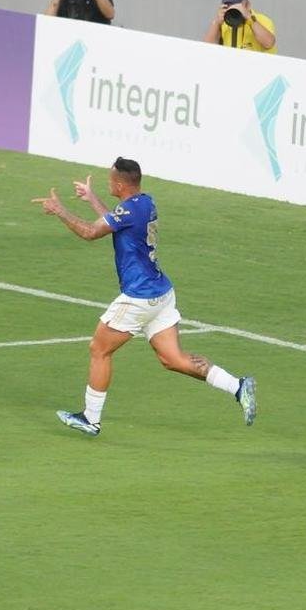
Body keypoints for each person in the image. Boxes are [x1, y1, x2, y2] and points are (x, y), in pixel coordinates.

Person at [32, 157, 257, 436]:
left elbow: (91, 232)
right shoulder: (144, 203)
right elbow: (115, 221)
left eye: (109, 180)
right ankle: (237, 386)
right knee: (172, 359)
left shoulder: (127, 212)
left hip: (139, 297)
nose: (106, 183)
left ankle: (91, 418)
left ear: (118, 183)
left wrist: (60, 211)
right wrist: (92, 198)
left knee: (99, 349)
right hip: (162, 294)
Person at [203, 0, 276, 52]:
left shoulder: (262, 20)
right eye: (227, 5)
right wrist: (217, 23)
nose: (231, 8)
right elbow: (205, 49)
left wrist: (249, 19)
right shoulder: (223, 22)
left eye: (235, 4)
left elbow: (269, 43)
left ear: (247, 5)